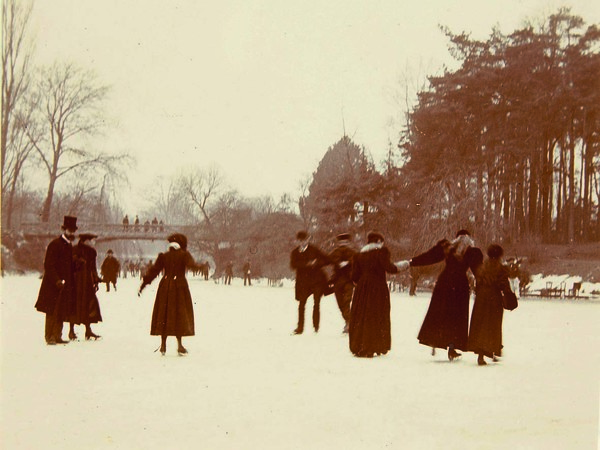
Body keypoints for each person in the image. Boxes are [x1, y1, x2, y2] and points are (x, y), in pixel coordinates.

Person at [405, 229, 483, 361]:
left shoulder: (448, 248)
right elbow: (478, 270)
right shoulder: (471, 251)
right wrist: (482, 286)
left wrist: (411, 262)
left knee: (439, 312)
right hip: (460, 286)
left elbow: (428, 257)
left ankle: (434, 340)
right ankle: (452, 347)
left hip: (444, 283)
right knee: (457, 317)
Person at [138, 233, 198, 356]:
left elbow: (153, 271)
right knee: (179, 315)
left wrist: (143, 284)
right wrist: (201, 267)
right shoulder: (184, 255)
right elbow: (193, 266)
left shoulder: (164, 256)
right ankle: (180, 345)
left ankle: (163, 345)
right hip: (180, 287)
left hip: (165, 287)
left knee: (164, 314)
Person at [349, 231, 406, 357]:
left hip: (362, 288)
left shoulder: (359, 255)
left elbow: (354, 276)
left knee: (361, 316)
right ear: (379, 241)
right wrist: (403, 266)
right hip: (377, 287)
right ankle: (375, 345)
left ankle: (359, 345)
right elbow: (390, 268)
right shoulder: (381, 252)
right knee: (376, 315)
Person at [468, 244, 516, 366]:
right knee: (492, 326)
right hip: (494, 299)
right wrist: (510, 298)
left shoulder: (482, 267)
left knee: (480, 325)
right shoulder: (501, 268)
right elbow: (504, 285)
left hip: (481, 299)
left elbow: (477, 284)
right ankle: (493, 349)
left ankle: (481, 353)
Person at [34, 215, 79, 345]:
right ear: (64, 230)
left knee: (62, 310)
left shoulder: (69, 246)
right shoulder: (54, 244)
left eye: (73, 231)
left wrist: (76, 265)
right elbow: (49, 265)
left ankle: (58, 335)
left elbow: (68, 267)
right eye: (69, 230)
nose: (71, 233)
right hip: (53, 284)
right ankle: (49, 336)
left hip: (65, 285)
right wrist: (57, 281)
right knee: (51, 310)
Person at [290, 231, 331, 334]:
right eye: (300, 241)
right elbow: (293, 265)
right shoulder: (295, 252)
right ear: (297, 241)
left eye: (304, 240)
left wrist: (316, 263)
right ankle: (300, 328)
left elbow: (326, 260)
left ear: (307, 240)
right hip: (303, 283)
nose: (302, 242)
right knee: (301, 304)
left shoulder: (314, 250)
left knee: (316, 303)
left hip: (316, 281)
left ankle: (316, 327)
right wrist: (307, 264)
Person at [68, 233, 102, 341]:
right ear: (85, 240)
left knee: (89, 304)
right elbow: (70, 265)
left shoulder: (92, 252)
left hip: (87, 282)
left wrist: (96, 281)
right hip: (76, 282)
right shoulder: (74, 249)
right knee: (74, 304)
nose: (93, 242)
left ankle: (88, 330)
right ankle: (71, 331)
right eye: (92, 240)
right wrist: (78, 261)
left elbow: (93, 267)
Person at [328, 233, 357, 333]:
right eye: (341, 242)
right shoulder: (335, 252)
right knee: (341, 303)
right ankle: (348, 322)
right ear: (339, 243)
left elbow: (357, 261)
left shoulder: (353, 253)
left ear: (348, 243)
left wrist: (348, 262)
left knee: (346, 301)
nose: (343, 244)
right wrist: (339, 262)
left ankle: (349, 323)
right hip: (337, 281)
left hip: (349, 280)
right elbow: (329, 260)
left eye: (345, 242)